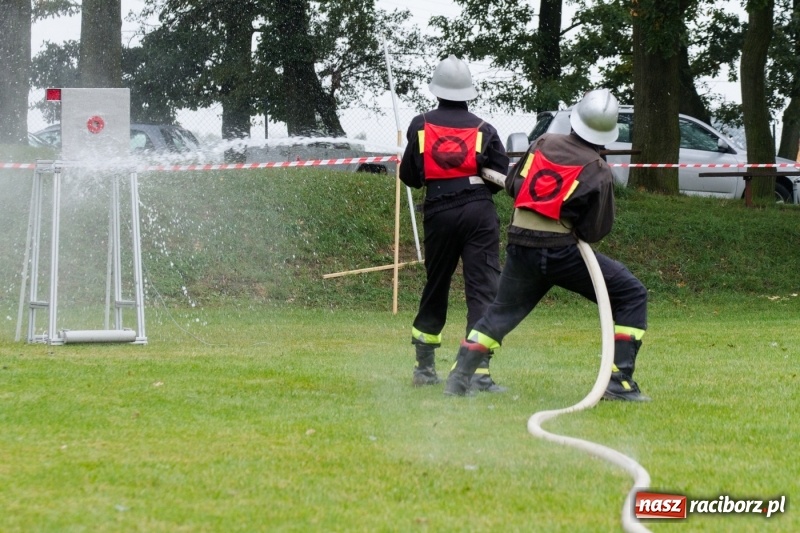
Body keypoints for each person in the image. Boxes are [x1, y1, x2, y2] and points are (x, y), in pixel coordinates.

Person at [443, 88, 650, 401]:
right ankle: (618, 382)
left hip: (520, 244)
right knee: (631, 294)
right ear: (607, 135)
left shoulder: (542, 143)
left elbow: (514, 185)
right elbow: (595, 230)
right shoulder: (597, 171)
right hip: (562, 251)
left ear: (574, 120)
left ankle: (459, 377)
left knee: (500, 312)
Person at [399, 55, 510, 392]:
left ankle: (425, 368)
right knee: (482, 289)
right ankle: (478, 374)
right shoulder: (484, 129)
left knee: (437, 284)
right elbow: (500, 178)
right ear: (468, 92)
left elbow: (410, 177)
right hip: (478, 210)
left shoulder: (420, 126)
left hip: (439, 210)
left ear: (437, 91)